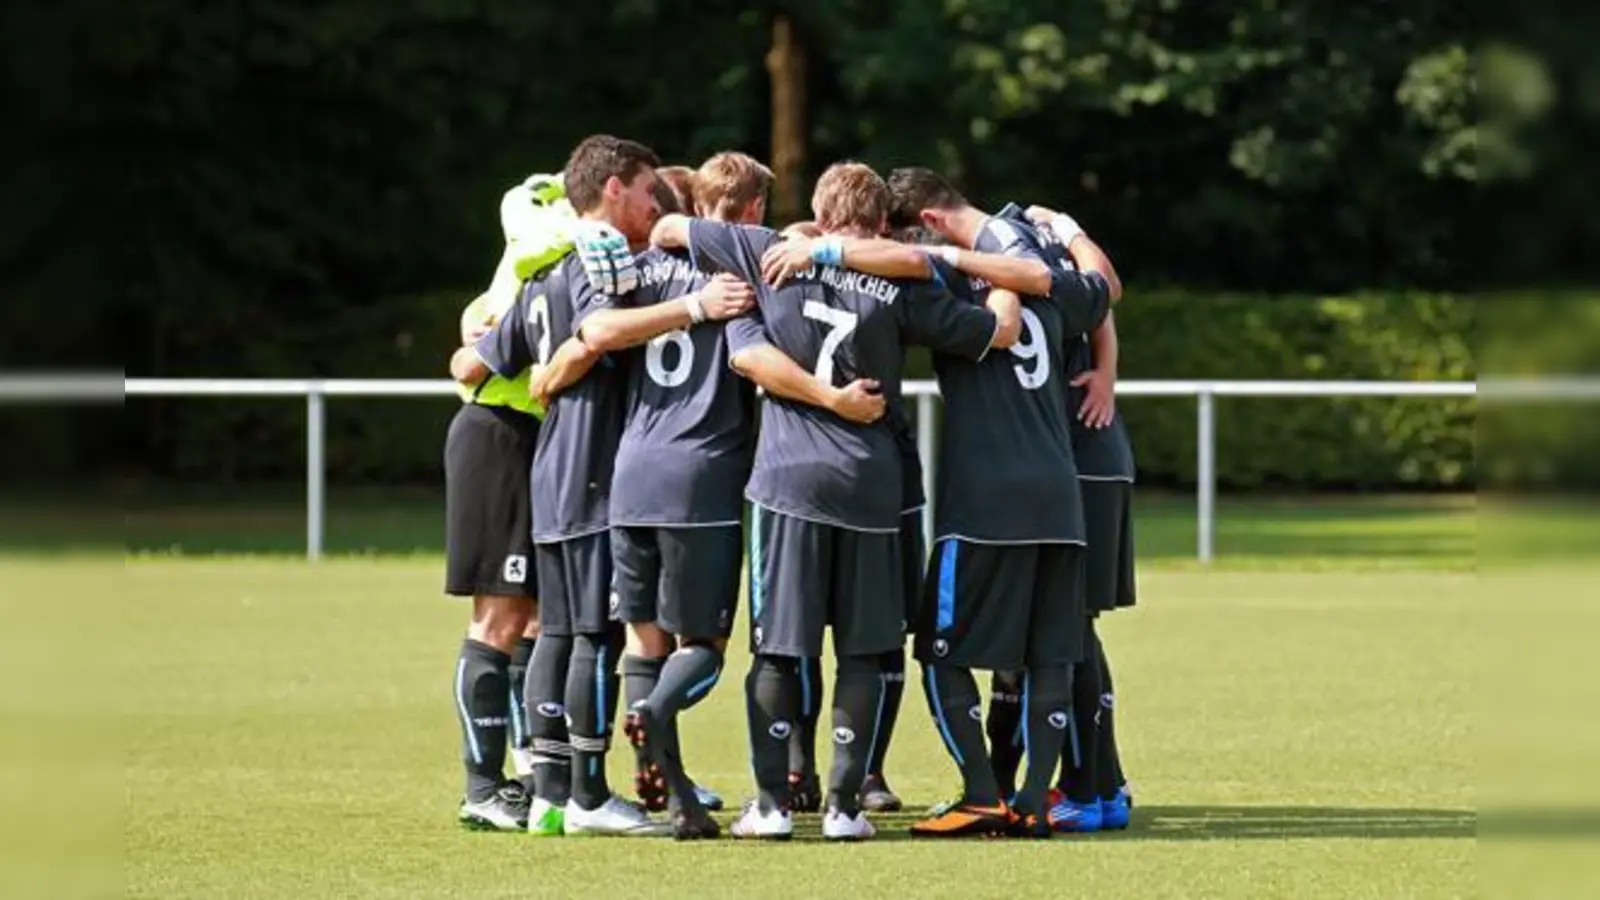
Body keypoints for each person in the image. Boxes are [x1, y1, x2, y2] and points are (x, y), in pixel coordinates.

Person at [653, 161, 1024, 841]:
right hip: (872, 486)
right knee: (863, 653)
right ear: (883, 222)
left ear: (819, 219)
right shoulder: (898, 280)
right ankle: (846, 808)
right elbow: (995, 333)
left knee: (776, 651)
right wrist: (1010, 284)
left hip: (786, 484)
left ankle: (768, 805)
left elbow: (670, 225)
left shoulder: (764, 250)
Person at [452, 135, 740, 837]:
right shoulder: (597, 262)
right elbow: (599, 329)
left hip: (553, 466)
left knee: (556, 630)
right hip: (587, 471)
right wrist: (694, 306)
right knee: (589, 635)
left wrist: (547, 365)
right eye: (646, 194)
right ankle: (579, 793)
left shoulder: (550, 270)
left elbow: (476, 362)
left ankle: (551, 787)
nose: (652, 209)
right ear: (614, 190)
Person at [882, 167, 1122, 838]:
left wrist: (825, 248)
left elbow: (890, 282)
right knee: (1052, 652)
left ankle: (981, 794)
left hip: (986, 503)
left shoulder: (947, 283)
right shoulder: (1044, 276)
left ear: (925, 227)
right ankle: (1031, 802)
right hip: (1060, 497)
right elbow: (1103, 294)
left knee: (939, 651)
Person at [559, 151, 775, 839]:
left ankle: (674, 797)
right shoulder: (736, 274)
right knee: (704, 646)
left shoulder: (632, 270)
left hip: (630, 478)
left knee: (644, 642)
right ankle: (652, 716)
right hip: (701, 480)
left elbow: (593, 334)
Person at [1025, 204, 1138, 833]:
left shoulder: (1024, 256)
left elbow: (1105, 293)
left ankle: (1088, 788)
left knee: (1069, 631)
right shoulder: (1033, 254)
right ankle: (1106, 782)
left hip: (1084, 458)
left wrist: (1069, 226)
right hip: (1089, 456)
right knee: (1076, 629)